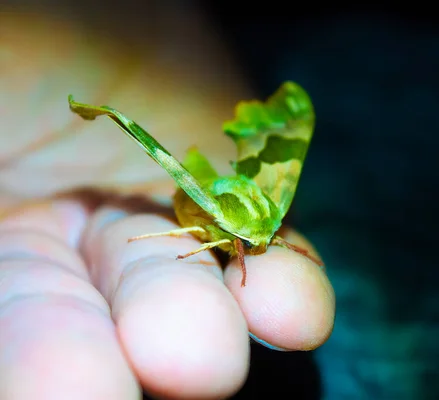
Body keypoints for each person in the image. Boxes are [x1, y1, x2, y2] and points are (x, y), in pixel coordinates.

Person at [0, 5, 335, 399]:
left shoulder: (268, 215)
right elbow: (206, 231)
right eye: (250, 243)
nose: (257, 247)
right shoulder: (216, 222)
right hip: (201, 199)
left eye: (265, 241)